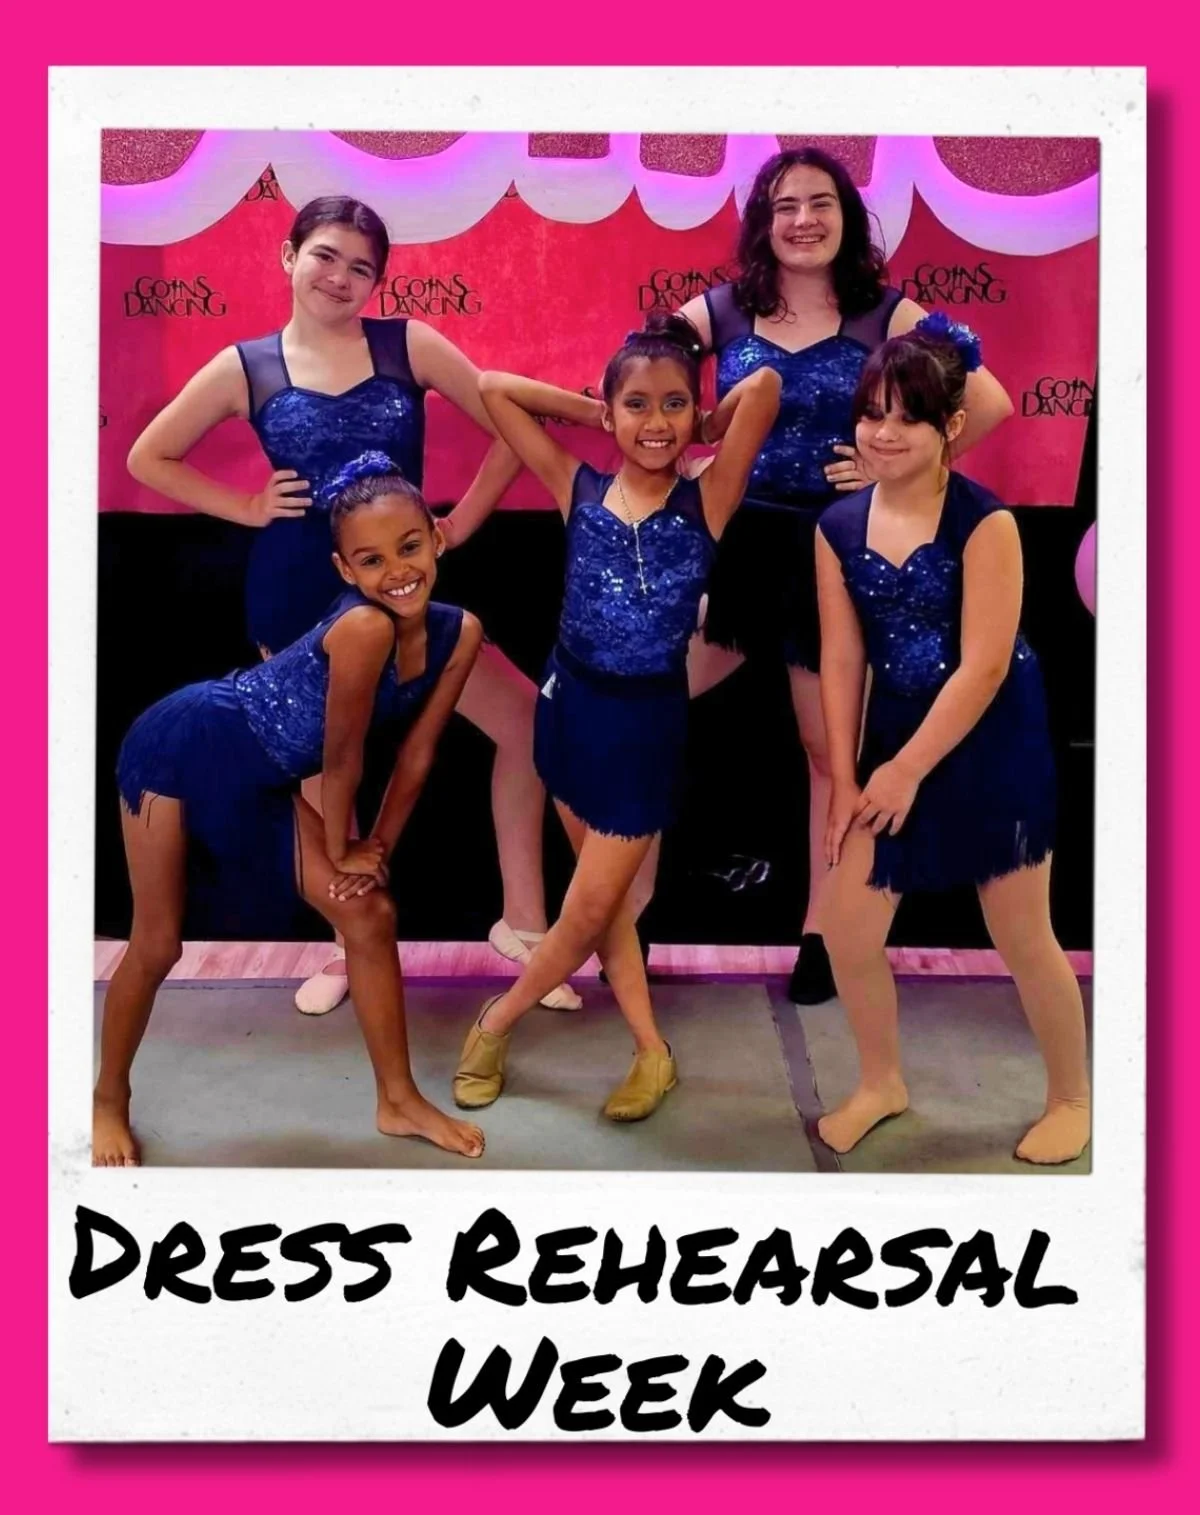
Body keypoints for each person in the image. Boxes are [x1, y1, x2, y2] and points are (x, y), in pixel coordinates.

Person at [127, 194, 579, 1017]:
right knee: (322, 770)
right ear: (288, 256)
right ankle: (347, 939)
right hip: (296, 592)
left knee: (525, 723)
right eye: (325, 255)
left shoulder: (409, 343)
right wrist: (246, 506)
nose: (340, 277)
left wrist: (458, 526)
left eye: (361, 266)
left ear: (379, 281)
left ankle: (522, 924)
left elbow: (516, 425)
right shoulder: (247, 366)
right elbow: (147, 455)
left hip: (404, 586)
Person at [671, 147, 1014, 1006]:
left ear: (846, 218)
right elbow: (641, 378)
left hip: (838, 549)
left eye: (820, 203)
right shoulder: (721, 310)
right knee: (650, 703)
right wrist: (684, 445)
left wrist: (893, 469)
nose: (802, 220)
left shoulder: (887, 315)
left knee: (832, 751)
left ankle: (825, 937)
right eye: (785, 206)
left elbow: (994, 400)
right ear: (763, 221)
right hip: (739, 545)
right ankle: (617, 909)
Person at [93, 455, 487, 1166]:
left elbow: (418, 754)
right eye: (370, 559)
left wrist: (379, 848)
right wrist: (343, 851)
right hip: (184, 746)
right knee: (157, 943)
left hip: (263, 775)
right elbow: (341, 760)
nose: (396, 569)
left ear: (436, 536)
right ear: (344, 571)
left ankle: (396, 1100)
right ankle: (108, 1098)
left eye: (408, 546)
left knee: (370, 912)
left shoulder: (461, 632)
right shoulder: (365, 630)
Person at [452, 315, 781, 1121]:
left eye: (674, 404)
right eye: (636, 405)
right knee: (602, 912)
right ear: (609, 413)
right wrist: (589, 405)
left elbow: (767, 386)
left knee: (591, 907)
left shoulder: (710, 496)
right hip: (569, 712)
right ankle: (652, 1050)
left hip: (644, 730)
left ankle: (493, 1024)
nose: (657, 422)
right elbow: (494, 390)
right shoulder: (578, 486)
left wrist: (713, 417)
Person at [814, 319, 1090, 1165]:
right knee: (848, 931)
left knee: (1021, 934)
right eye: (872, 415)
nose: (885, 434)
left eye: (908, 418)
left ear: (951, 429)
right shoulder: (836, 526)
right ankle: (880, 1080)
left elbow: (981, 667)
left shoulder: (987, 522)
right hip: (895, 733)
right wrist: (844, 774)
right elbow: (842, 654)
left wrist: (901, 771)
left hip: (990, 738)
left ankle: (1073, 1096)